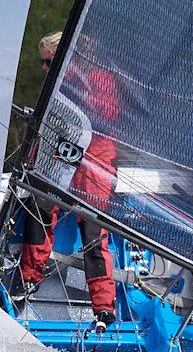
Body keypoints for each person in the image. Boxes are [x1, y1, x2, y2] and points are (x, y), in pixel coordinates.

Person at [18, 30, 118, 333]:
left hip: (95, 160)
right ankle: (27, 281)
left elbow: (109, 114)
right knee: (40, 208)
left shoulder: (99, 79)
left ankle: (104, 308)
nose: (43, 69)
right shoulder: (58, 86)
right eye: (43, 63)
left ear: (65, 60)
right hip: (63, 156)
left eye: (48, 63)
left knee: (92, 231)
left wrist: (78, 91)